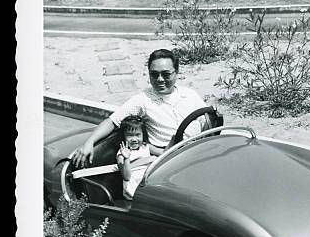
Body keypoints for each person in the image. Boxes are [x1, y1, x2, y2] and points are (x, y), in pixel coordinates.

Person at [72, 49, 208, 168]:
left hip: (199, 151)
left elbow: (208, 122)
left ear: (176, 72)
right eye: (154, 74)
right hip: (168, 158)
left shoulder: (190, 94)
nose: (160, 79)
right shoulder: (142, 100)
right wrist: (89, 142)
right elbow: (112, 121)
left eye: (166, 74)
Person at [116, 115, 153, 200]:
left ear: (143, 135)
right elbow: (126, 176)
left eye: (137, 135)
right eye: (130, 135)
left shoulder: (145, 146)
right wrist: (126, 158)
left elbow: (163, 153)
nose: (134, 139)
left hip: (147, 183)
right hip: (134, 190)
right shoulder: (122, 153)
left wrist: (173, 140)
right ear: (123, 136)